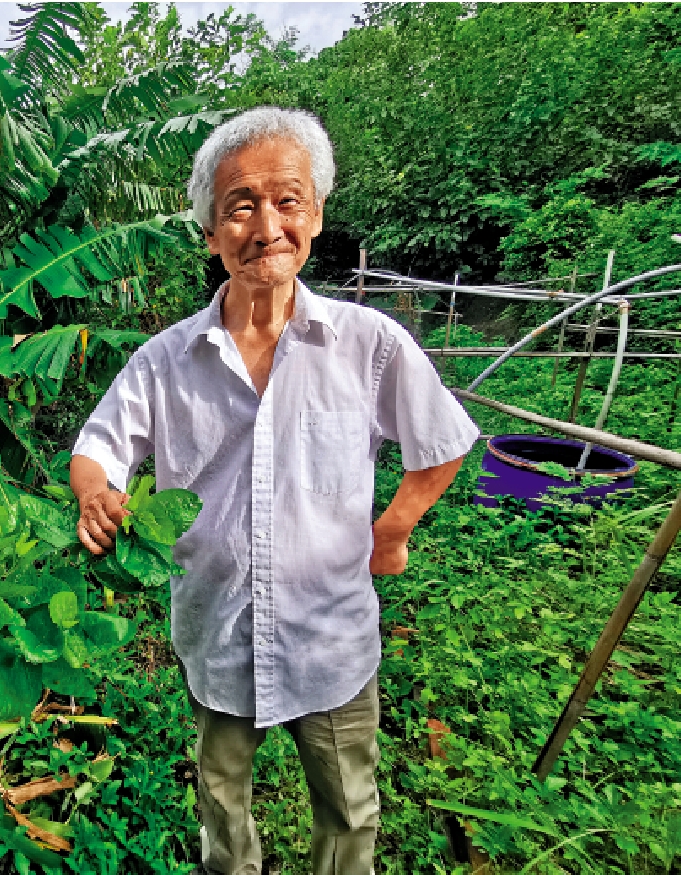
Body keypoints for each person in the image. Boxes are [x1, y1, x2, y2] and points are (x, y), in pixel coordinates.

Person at [69, 107, 480, 875]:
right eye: (240, 205)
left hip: (330, 641)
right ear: (211, 231)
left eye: (287, 200)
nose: (266, 224)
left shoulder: (367, 344)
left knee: (349, 808)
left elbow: (441, 442)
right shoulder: (165, 361)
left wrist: (392, 529)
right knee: (222, 800)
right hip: (217, 634)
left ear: (315, 214)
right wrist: (96, 493)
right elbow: (98, 448)